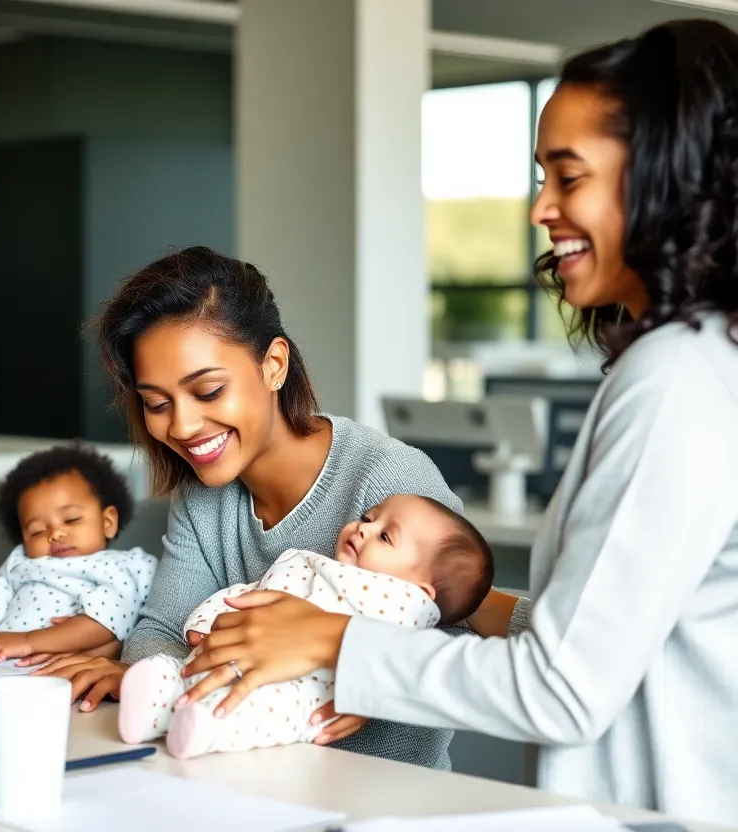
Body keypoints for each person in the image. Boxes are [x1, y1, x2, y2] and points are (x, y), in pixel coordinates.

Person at [178, 19, 738, 826]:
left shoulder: (675, 383)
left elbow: (563, 688)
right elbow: (610, 627)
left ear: (664, 177)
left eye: (568, 176)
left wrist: (335, 638)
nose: (541, 207)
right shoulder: (696, 362)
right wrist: (446, 597)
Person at [33, 244, 527, 770]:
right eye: (157, 403)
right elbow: (158, 632)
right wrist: (162, 680)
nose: (180, 427)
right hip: (234, 778)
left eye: (208, 390)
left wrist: (361, 675)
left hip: (381, 794)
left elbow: (450, 646)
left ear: (273, 365)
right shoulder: (202, 494)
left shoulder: (387, 487)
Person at [118, 494, 493, 759]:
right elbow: (249, 593)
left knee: (268, 711)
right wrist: (204, 624)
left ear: (421, 591)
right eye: (367, 517)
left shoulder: (402, 608)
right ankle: (156, 702)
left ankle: (209, 727)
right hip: (231, 652)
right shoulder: (307, 561)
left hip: (306, 694)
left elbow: (415, 660)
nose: (363, 528)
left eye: (384, 536)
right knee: (183, 675)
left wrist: (373, 692)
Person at [0, 444, 157, 664]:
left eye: (71, 519)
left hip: (55, 658)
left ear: (108, 521)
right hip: (1, 646)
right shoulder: (21, 559)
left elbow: (107, 621)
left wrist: (27, 642)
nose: (55, 534)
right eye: (37, 530)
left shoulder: (120, 566)